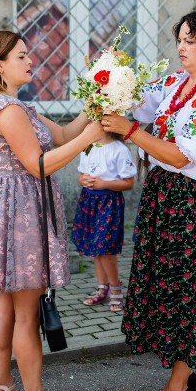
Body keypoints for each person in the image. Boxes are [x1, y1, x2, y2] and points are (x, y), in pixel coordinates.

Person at [101, 8, 196, 391]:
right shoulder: (177, 83)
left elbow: (180, 155)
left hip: (191, 205)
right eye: (179, 38)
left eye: (190, 39)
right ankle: (180, 377)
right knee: (166, 290)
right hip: (163, 199)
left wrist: (130, 132)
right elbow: (140, 101)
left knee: (186, 297)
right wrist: (109, 77)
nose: (181, 46)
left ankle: (179, 385)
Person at [0, 30, 104, 391]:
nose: (31, 61)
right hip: (21, 212)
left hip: (7, 208)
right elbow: (39, 163)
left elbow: (63, 135)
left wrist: (97, 106)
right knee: (25, 314)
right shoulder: (8, 110)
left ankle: (3, 390)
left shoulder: (13, 105)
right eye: (22, 56)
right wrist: (90, 139)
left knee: (5, 306)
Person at [71, 132, 136, 312]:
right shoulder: (89, 145)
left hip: (108, 202)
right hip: (89, 201)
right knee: (96, 248)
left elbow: (129, 183)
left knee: (106, 248)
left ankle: (116, 289)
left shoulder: (119, 150)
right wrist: (83, 179)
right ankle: (102, 288)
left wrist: (103, 184)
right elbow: (82, 175)